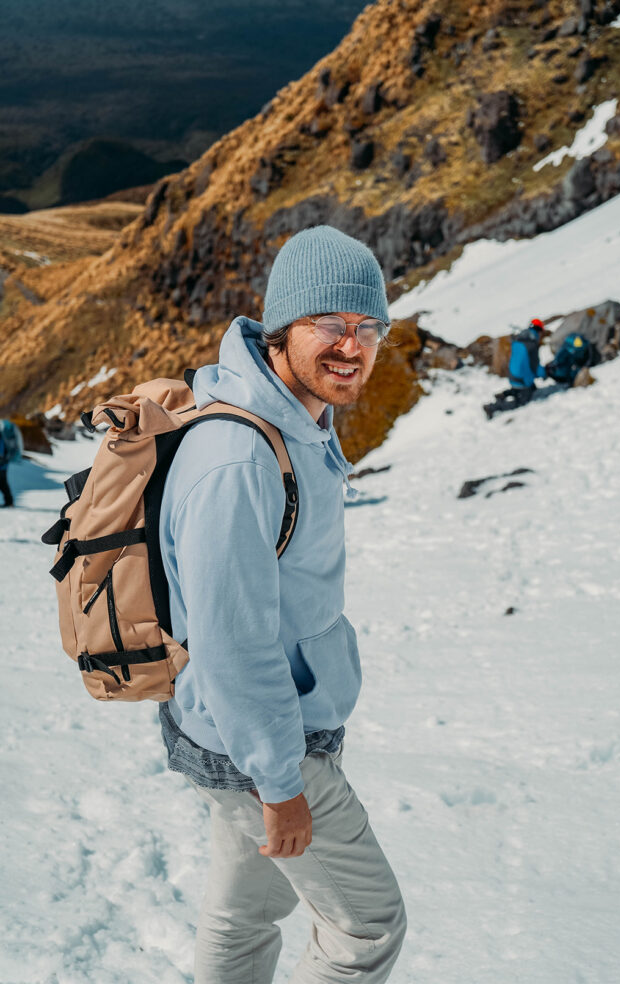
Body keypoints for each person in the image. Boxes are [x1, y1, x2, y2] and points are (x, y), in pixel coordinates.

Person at [158, 225, 407, 983]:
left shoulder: (295, 417)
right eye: (330, 324)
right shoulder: (238, 459)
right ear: (282, 328)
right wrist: (280, 783)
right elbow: (235, 642)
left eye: (369, 327)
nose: (352, 346)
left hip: (254, 733)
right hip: (264, 743)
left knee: (242, 918)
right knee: (366, 925)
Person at [483, 318, 547, 419]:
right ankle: (493, 407)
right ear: (538, 330)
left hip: (512, 375)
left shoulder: (519, 339)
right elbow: (535, 367)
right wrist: (545, 374)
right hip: (521, 379)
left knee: (529, 388)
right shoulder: (531, 344)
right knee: (521, 401)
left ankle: (504, 394)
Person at [0, 419, 22, 507]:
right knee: (3, 483)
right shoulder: (2, 436)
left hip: (2, 465)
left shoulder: (1, 438)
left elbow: (1, 453)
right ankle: (9, 502)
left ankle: (9, 502)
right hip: (3, 464)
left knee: (3, 484)